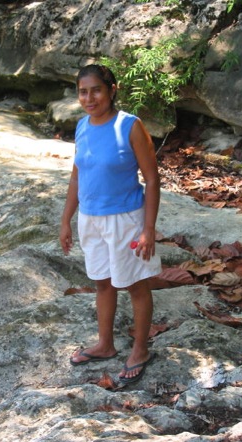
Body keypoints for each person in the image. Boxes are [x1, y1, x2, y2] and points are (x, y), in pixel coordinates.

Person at [59, 64, 161, 384]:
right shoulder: (82, 126)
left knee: (134, 284)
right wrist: (66, 220)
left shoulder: (129, 126)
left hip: (125, 219)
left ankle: (140, 350)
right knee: (102, 282)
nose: (89, 98)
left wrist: (148, 229)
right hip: (91, 218)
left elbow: (153, 180)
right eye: (83, 92)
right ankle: (105, 345)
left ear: (112, 89)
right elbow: (78, 175)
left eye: (96, 90)